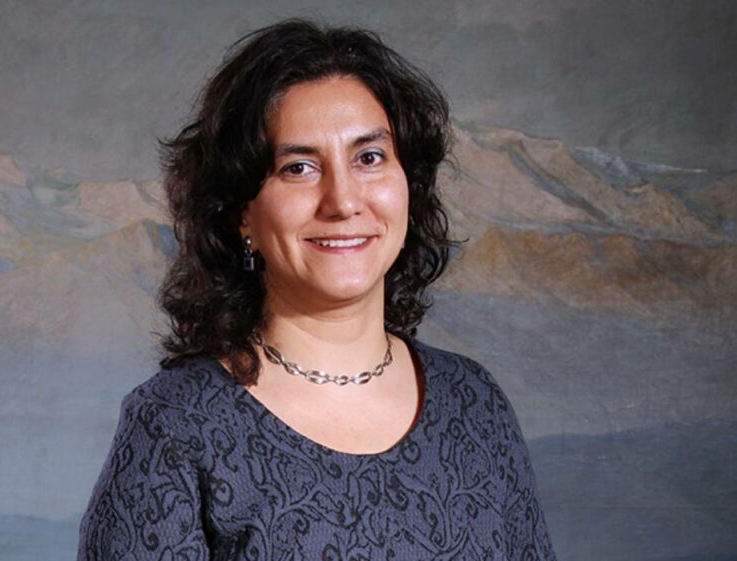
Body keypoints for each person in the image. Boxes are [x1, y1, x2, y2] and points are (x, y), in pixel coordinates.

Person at [77, 19, 556, 560]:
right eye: (299, 167)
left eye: (369, 158)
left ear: (409, 184)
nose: (343, 201)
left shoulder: (474, 404)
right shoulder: (177, 426)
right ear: (240, 212)